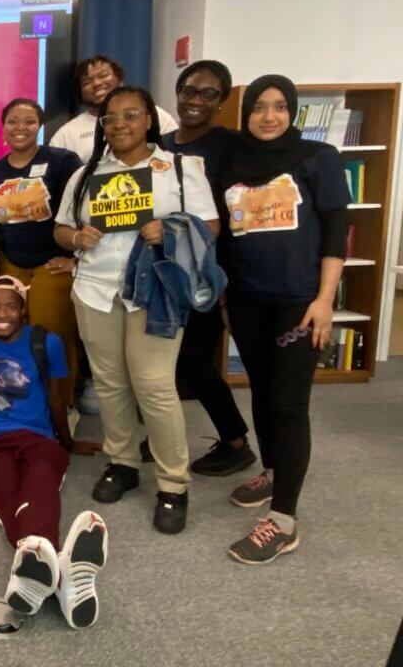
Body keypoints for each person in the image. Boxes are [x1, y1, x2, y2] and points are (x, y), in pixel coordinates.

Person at [54, 86, 219, 535]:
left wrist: (168, 229)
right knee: (109, 383)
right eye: (111, 118)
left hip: (155, 292)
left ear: (149, 119)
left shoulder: (180, 169)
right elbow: (61, 229)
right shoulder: (88, 174)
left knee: (154, 386)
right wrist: (77, 239)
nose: (120, 124)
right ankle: (123, 462)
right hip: (95, 289)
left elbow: (211, 225)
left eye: (131, 115)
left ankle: (172, 484)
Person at [219, 75, 350, 565]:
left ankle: (285, 520)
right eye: (258, 107)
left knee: (290, 404)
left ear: (291, 111)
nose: (268, 116)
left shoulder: (319, 158)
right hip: (249, 300)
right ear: (247, 112)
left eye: (278, 107)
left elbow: (337, 231)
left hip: (299, 302)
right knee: (260, 390)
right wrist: (229, 299)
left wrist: (324, 299)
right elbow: (229, 239)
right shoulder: (235, 163)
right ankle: (272, 469)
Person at [0, 276, 106, 629]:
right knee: (10, 494)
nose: (1, 314)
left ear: (23, 310)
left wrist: (66, 442)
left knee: (38, 487)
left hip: (40, 439)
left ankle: (38, 565)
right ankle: (63, 578)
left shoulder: (47, 343)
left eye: (11, 306)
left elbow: (57, 399)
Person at [159, 61, 256, 476]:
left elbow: (240, 215)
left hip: (209, 273)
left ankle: (236, 442)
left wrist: (225, 282)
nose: (195, 100)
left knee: (195, 363)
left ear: (223, 100)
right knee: (163, 360)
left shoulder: (232, 147)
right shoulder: (159, 144)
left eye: (207, 94)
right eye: (188, 90)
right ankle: (161, 437)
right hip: (164, 269)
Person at [0, 98, 83, 414]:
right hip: (11, 263)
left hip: (51, 267)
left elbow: (82, 210)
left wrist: (77, 258)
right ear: (3, 127)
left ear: (39, 126)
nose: (20, 128)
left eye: (28, 121)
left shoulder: (61, 162)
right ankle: (23, 402)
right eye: (13, 121)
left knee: (52, 340)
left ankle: (60, 406)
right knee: (12, 337)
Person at [49, 55, 177, 163]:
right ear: (80, 92)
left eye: (103, 75)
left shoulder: (155, 115)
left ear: (120, 80)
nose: (96, 83)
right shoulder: (65, 135)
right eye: (87, 82)